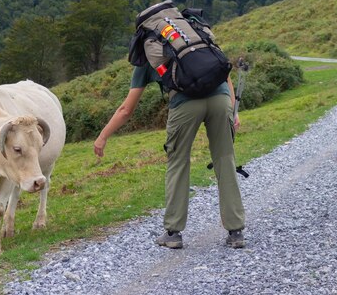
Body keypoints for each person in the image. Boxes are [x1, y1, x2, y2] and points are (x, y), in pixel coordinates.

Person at [93, 28, 246, 250]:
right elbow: (224, 73)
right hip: (220, 100)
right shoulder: (194, 37)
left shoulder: (150, 52)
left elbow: (126, 109)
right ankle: (236, 232)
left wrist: (102, 136)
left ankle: (173, 233)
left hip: (185, 105)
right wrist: (234, 111)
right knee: (225, 159)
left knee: (178, 162)